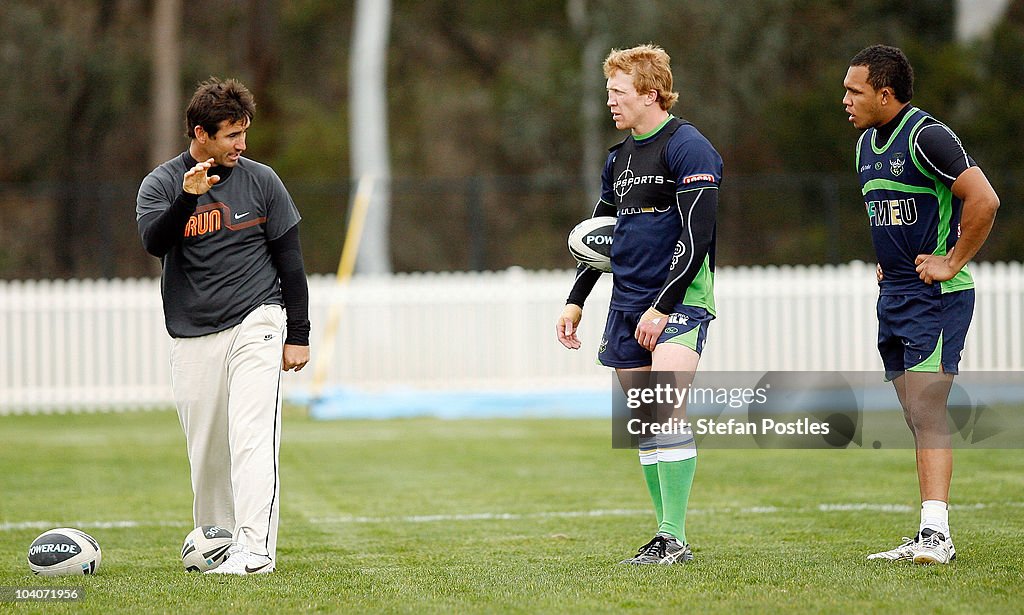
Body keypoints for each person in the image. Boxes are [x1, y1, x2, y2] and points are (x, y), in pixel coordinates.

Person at [556, 44, 722, 565]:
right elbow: (601, 234)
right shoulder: (618, 158)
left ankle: (674, 536)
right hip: (627, 303)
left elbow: (698, 236)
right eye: (608, 92)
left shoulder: (689, 147)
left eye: (618, 92)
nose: (610, 101)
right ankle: (663, 535)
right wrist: (575, 300)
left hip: (679, 304)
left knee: (667, 412)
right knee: (648, 421)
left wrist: (663, 306)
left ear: (651, 94)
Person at [136, 77, 311, 575]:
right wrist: (188, 199)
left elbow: (291, 263)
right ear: (201, 133)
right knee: (208, 452)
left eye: (244, 133)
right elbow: (153, 242)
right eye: (232, 135)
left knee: (252, 434)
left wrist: (298, 333)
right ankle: (217, 545)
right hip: (192, 332)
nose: (242, 144)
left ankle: (255, 549)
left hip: (258, 318)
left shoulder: (263, 181)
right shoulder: (162, 184)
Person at [843, 45, 999, 565]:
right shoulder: (866, 144)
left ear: (885, 94)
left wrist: (951, 261)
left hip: (937, 297)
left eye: (855, 91)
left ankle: (936, 534)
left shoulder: (926, 135)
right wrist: (888, 260)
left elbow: (984, 199)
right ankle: (929, 530)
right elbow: (895, 213)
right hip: (896, 296)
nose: (844, 98)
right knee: (916, 413)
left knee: (927, 409)